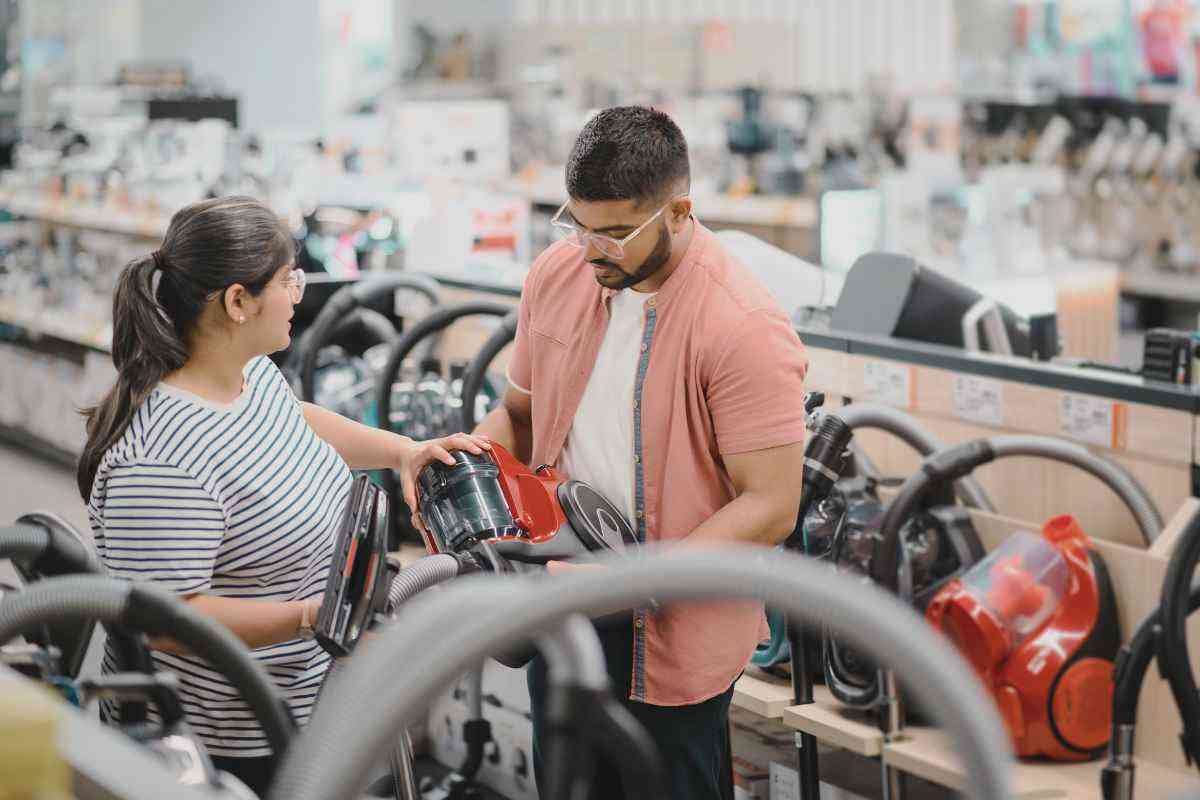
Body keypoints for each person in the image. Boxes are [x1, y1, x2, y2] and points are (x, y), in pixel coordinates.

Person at [77, 196, 488, 796]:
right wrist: (312, 617)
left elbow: (292, 419)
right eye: (288, 280)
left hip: (299, 702)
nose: (299, 294)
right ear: (237, 302)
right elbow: (169, 621)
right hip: (225, 744)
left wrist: (402, 452)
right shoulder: (162, 461)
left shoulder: (246, 375)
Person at [473, 107, 809, 799]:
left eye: (616, 233)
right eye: (578, 225)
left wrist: (636, 577)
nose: (591, 250)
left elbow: (773, 504)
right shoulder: (558, 276)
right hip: (562, 601)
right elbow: (518, 415)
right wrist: (468, 465)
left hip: (675, 627)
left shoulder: (741, 325)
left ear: (679, 212)